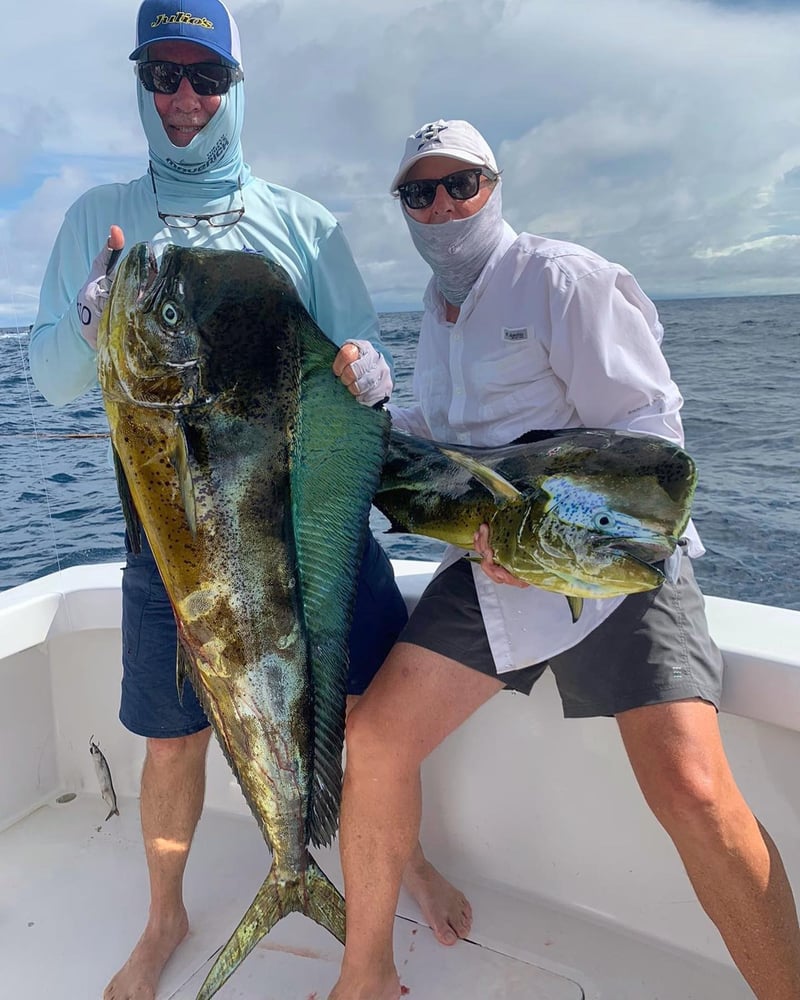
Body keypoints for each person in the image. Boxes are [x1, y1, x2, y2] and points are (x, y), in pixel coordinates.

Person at [28, 7, 470, 996]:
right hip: (172, 532)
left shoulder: (302, 221)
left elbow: (358, 357)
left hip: (305, 524)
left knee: (361, 709)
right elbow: (54, 381)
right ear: (141, 81)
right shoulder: (96, 216)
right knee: (172, 733)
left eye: (205, 78)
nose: (184, 100)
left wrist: (371, 370)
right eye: (163, 76)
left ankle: (407, 859)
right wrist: (92, 323)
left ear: (235, 84)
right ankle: (164, 916)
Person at [327, 119, 800, 1000]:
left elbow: (653, 439)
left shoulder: (565, 280)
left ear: (494, 184)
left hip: (612, 564)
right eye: (419, 193)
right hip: (496, 569)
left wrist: (565, 538)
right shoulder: (437, 311)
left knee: (692, 789)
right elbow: (453, 440)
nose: (442, 205)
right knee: (375, 740)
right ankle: (367, 974)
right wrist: (375, 411)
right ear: (404, 208)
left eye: (460, 183)